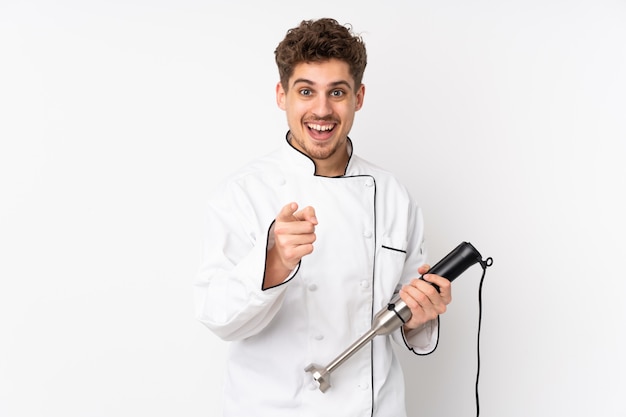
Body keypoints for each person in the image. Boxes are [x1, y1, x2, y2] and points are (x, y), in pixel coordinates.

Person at [194, 17, 452, 417]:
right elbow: (218, 318)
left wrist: (420, 315)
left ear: (358, 97)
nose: (321, 109)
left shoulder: (392, 194)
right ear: (282, 95)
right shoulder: (244, 193)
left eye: (337, 92)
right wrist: (274, 262)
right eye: (305, 91)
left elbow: (407, 319)